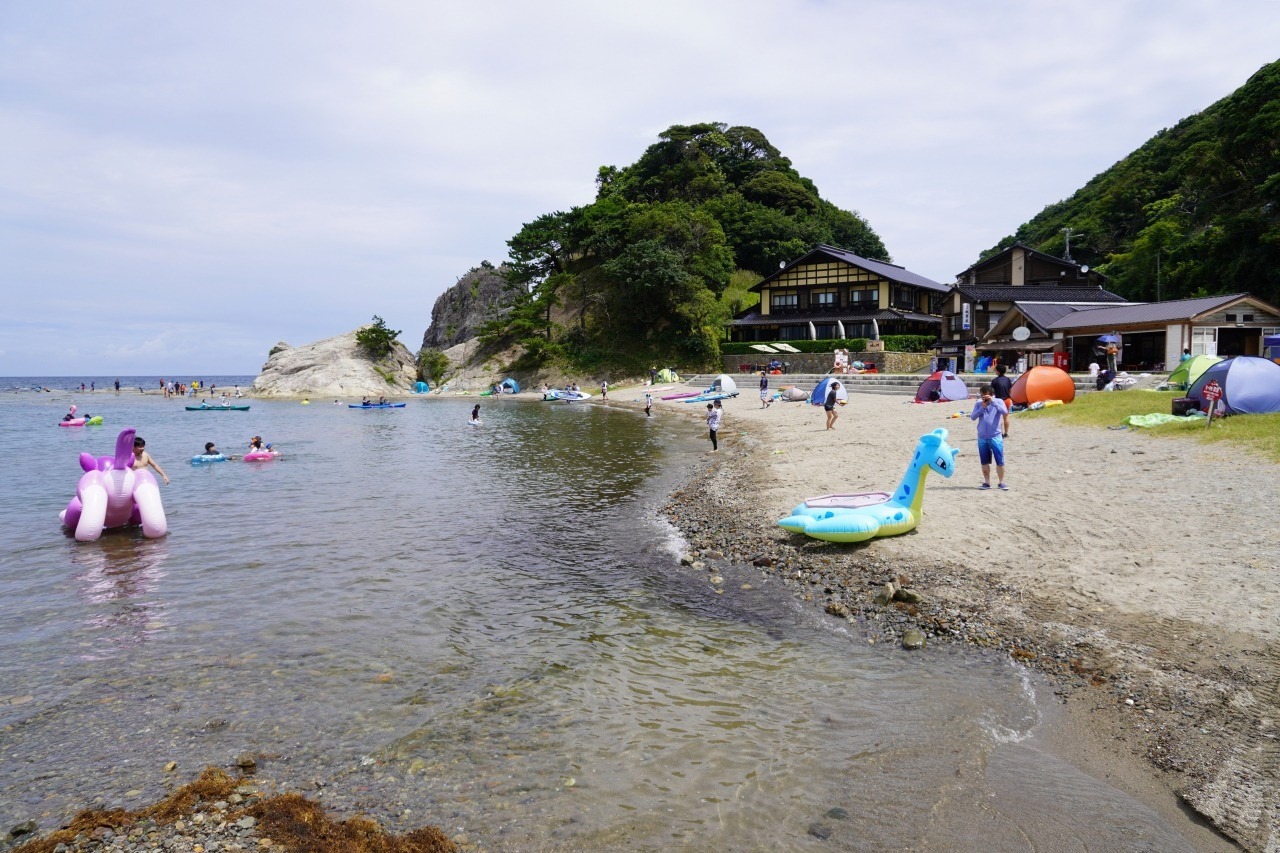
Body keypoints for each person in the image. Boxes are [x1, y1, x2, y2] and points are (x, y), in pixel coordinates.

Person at [969, 384, 1008, 491]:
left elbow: (1005, 412)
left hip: (995, 436)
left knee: (999, 460)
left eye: (986, 396)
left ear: (991, 395)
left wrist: (993, 402)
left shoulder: (999, 401)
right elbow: (972, 417)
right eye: (982, 396)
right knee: (984, 461)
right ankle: (987, 482)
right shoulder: (978, 404)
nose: (984, 398)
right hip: (982, 437)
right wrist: (982, 407)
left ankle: (1001, 482)